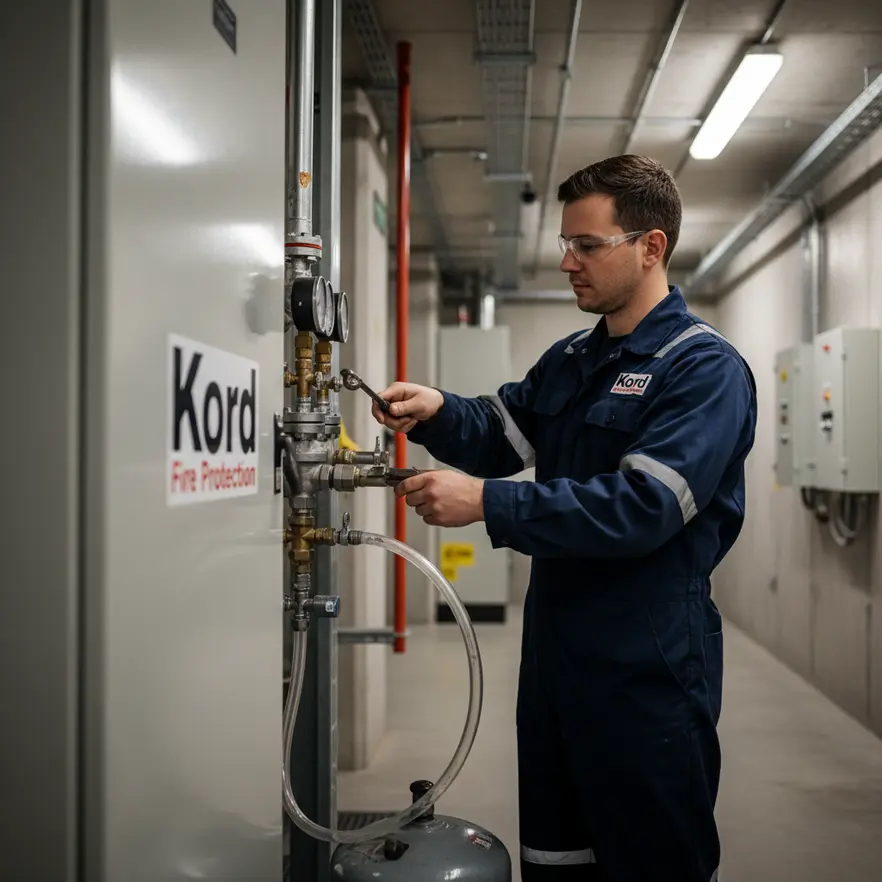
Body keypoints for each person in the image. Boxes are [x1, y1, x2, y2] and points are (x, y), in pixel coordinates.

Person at [371, 154, 757, 882]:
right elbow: (503, 433)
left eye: (587, 245)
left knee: (651, 863)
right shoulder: (573, 358)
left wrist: (488, 503)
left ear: (651, 247)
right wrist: (438, 411)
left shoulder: (703, 369)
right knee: (556, 858)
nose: (566, 262)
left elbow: (644, 508)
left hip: (646, 666)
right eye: (566, 243)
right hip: (556, 659)